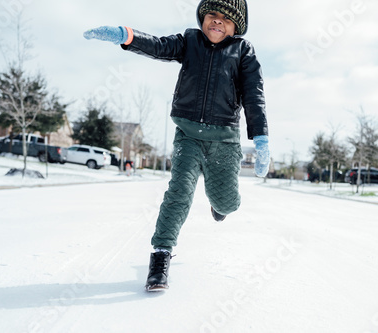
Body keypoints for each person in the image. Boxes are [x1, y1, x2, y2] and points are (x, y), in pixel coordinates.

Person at [84, 0, 270, 291]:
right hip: (188, 134)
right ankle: (160, 257)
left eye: (225, 18)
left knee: (228, 203)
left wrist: (260, 138)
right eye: (212, 15)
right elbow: (158, 46)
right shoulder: (190, 41)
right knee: (179, 192)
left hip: (224, 139)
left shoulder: (243, 51)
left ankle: (217, 205)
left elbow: (253, 95)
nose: (217, 21)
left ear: (236, 26)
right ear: (202, 17)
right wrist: (126, 35)